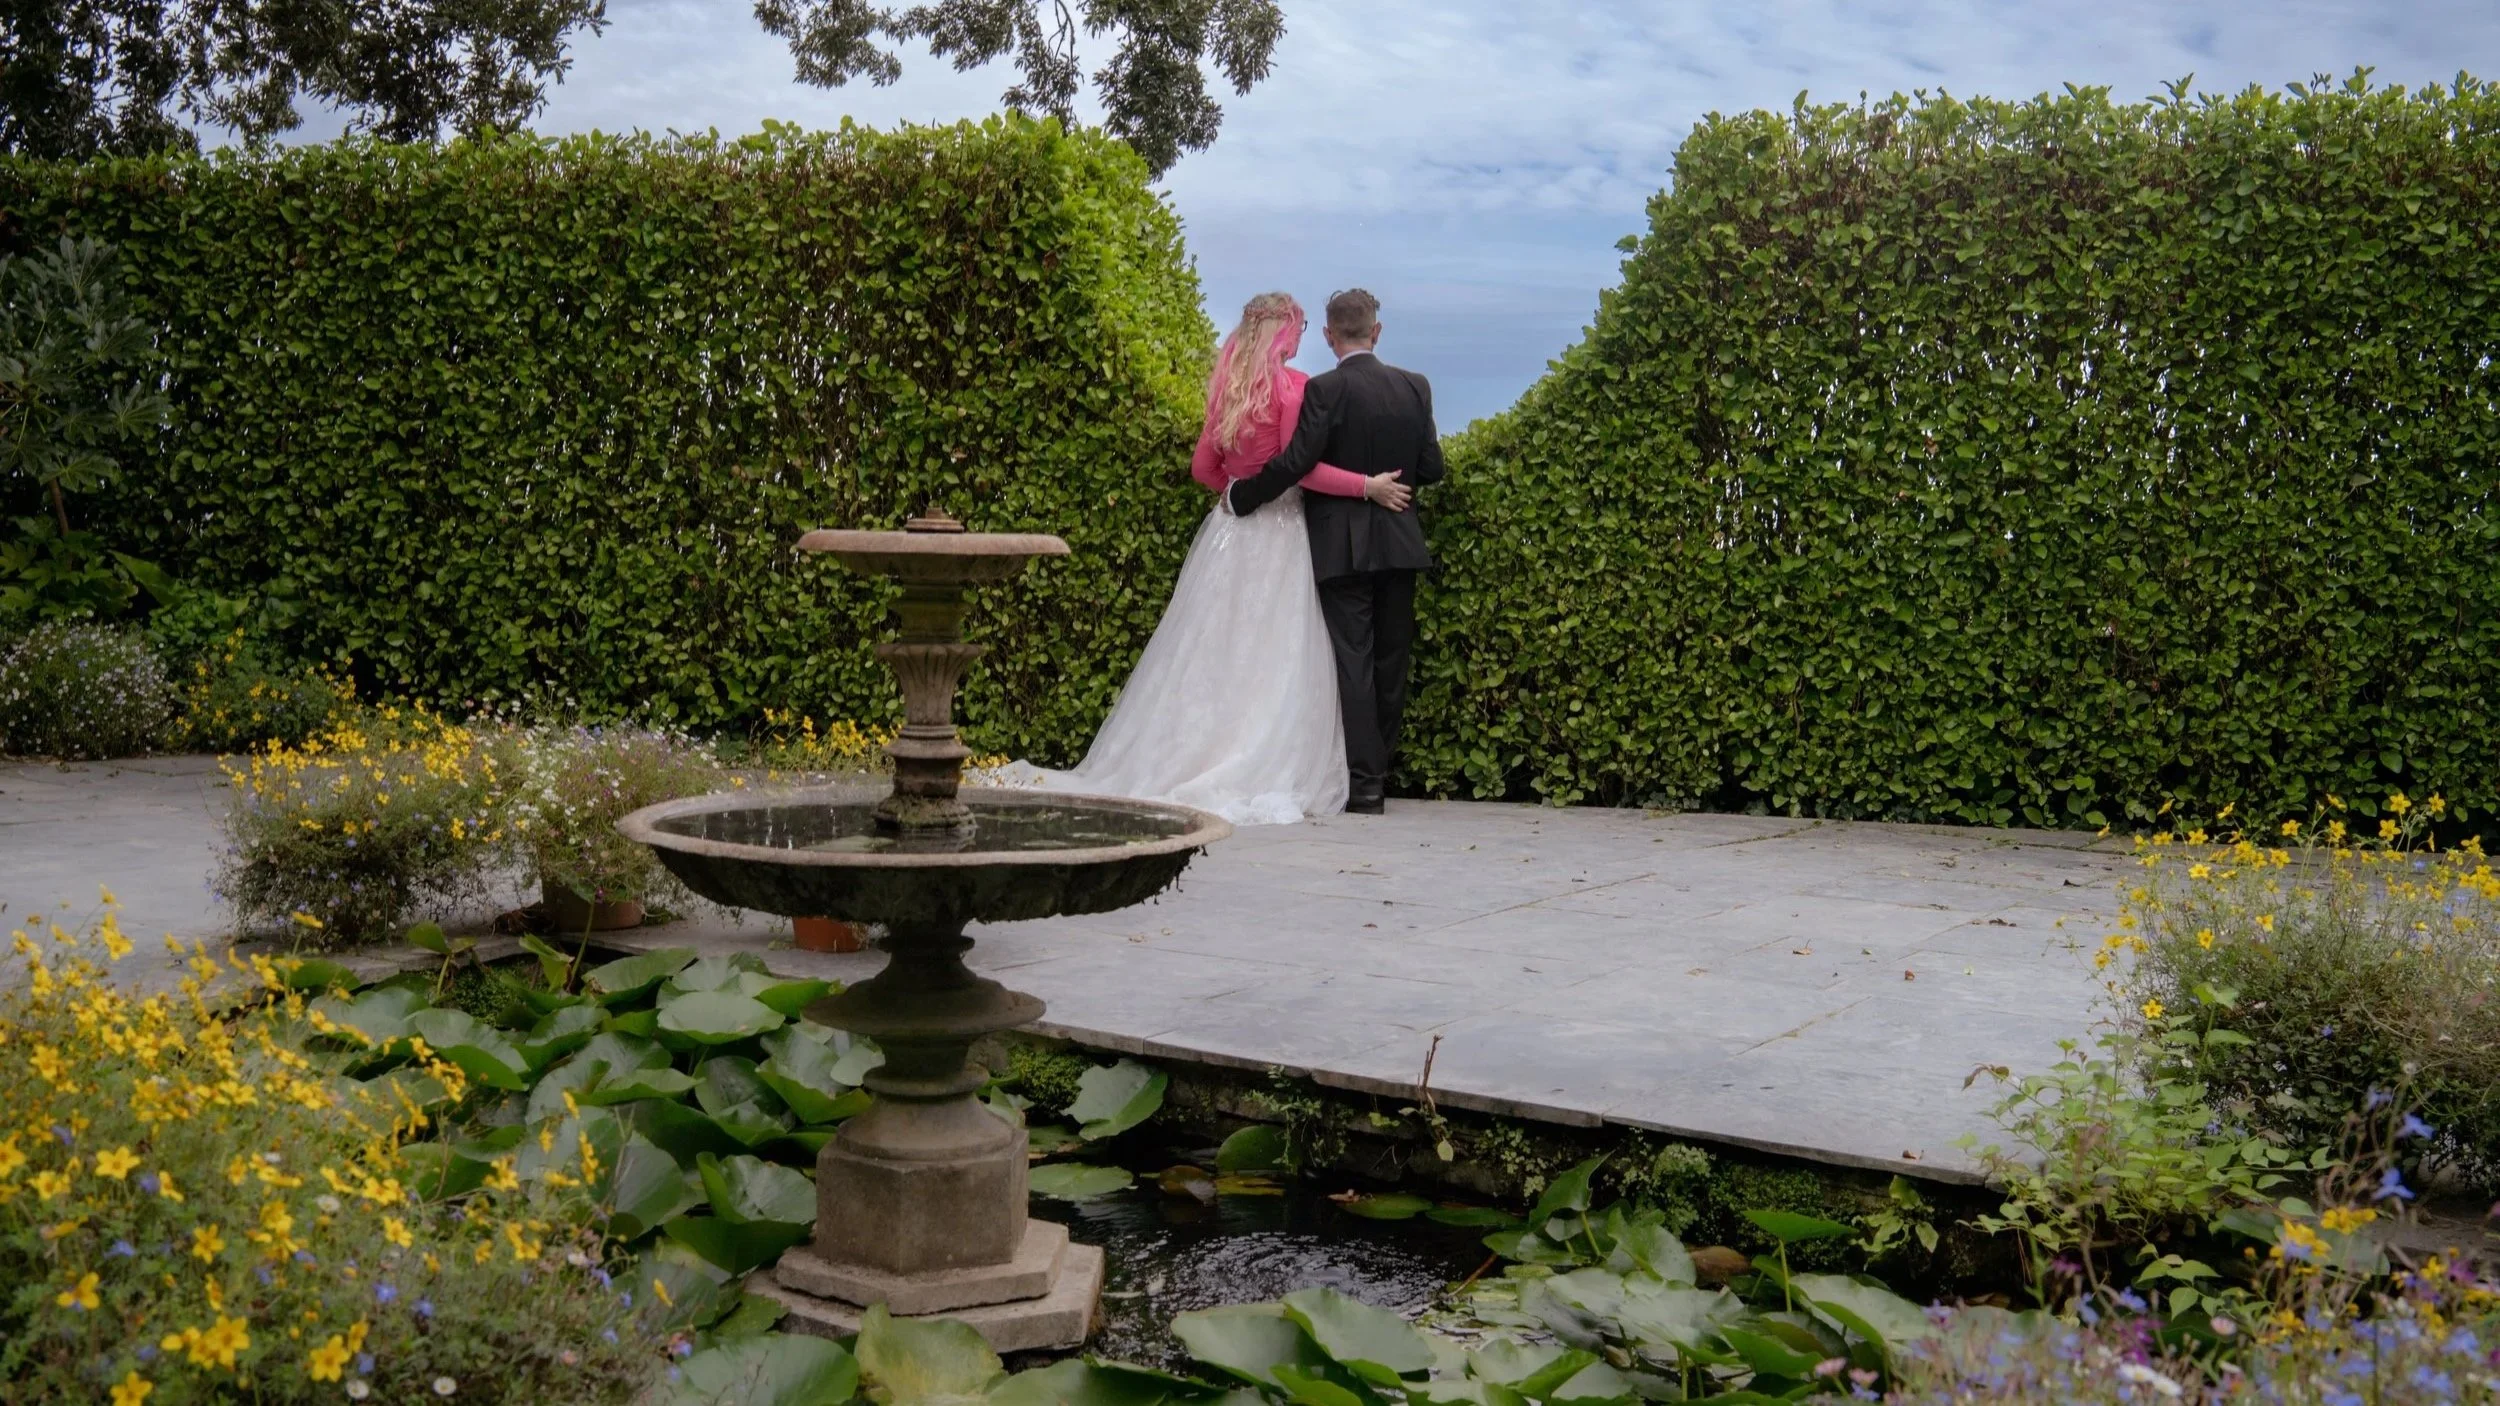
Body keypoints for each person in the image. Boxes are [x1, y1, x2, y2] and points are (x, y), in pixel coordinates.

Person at [1003, 292, 1410, 824]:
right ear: (1283, 332)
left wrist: (1233, 492)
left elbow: (1202, 467)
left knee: (1212, 646)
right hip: (1281, 531)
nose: (1302, 334)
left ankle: (1191, 750)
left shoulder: (1230, 389)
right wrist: (1365, 486)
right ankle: (1258, 753)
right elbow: (1300, 469)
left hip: (1230, 533)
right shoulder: (1295, 388)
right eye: (1299, 325)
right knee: (1276, 649)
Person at [1224, 288, 1444, 815]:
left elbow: (1296, 462)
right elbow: (1432, 468)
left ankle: (1365, 784)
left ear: (1328, 335)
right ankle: (1379, 770)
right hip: (1399, 542)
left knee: (1354, 661)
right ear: (1376, 330)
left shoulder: (1324, 389)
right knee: (1391, 661)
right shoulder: (1415, 386)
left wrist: (1244, 497)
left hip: (1341, 548)